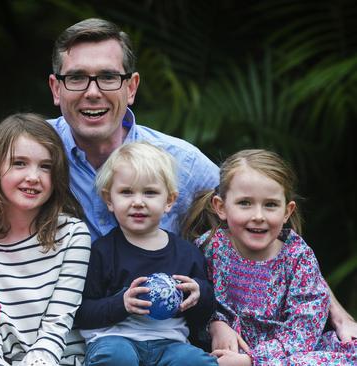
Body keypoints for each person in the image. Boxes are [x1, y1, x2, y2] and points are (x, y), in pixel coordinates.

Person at [47, 17, 357, 343]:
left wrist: (337, 313)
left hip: (168, 337)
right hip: (62, 333)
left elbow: (267, 227)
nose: (93, 92)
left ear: (132, 87)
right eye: (77, 78)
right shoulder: (33, 158)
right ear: (56, 88)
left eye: (109, 77)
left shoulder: (182, 162)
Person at [184, 149, 357, 365]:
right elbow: (196, 302)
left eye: (271, 205)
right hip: (226, 351)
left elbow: (305, 328)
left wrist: (252, 360)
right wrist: (215, 323)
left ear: (287, 211)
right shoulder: (209, 247)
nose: (258, 216)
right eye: (245, 203)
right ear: (221, 207)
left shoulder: (297, 258)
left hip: (286, 355)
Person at [0, 113, 91, 366]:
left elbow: (59, 319)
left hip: (59, 359)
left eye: (45, 166)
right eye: (19, 163)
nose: (33, 176)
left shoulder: (72, 235)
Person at [75, 142, 216, 366]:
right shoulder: (102, 252)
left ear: (169, 201)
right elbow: (81, 312)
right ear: (109, 200)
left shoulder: (187, 254)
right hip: (115, 339)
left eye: (150, 192)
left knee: (195, 361)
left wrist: (199, 294)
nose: (138, 202)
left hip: (169, 344)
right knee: (117, 357)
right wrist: (121, 304)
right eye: (126, 192)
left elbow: (204, 316)